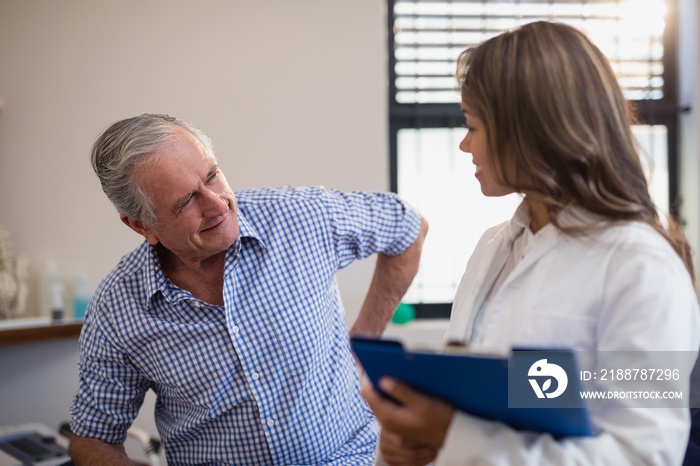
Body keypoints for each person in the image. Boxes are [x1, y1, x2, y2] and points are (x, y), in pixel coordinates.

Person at [363, 21, 700, 465]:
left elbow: (641, 454)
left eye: (473, 126)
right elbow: (487, 394)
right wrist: (413, 445)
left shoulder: (640, 266)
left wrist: (454, 438)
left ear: (532, 131)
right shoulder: (493, 248)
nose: (464, 145)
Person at [69, 113, 428, 465]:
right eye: (186, 201)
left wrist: (362, 343)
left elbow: (409, 227)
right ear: (141, 225)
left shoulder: (300, 216)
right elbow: (92, 439)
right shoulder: (117, 306)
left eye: (212, 176)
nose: (216, 204)